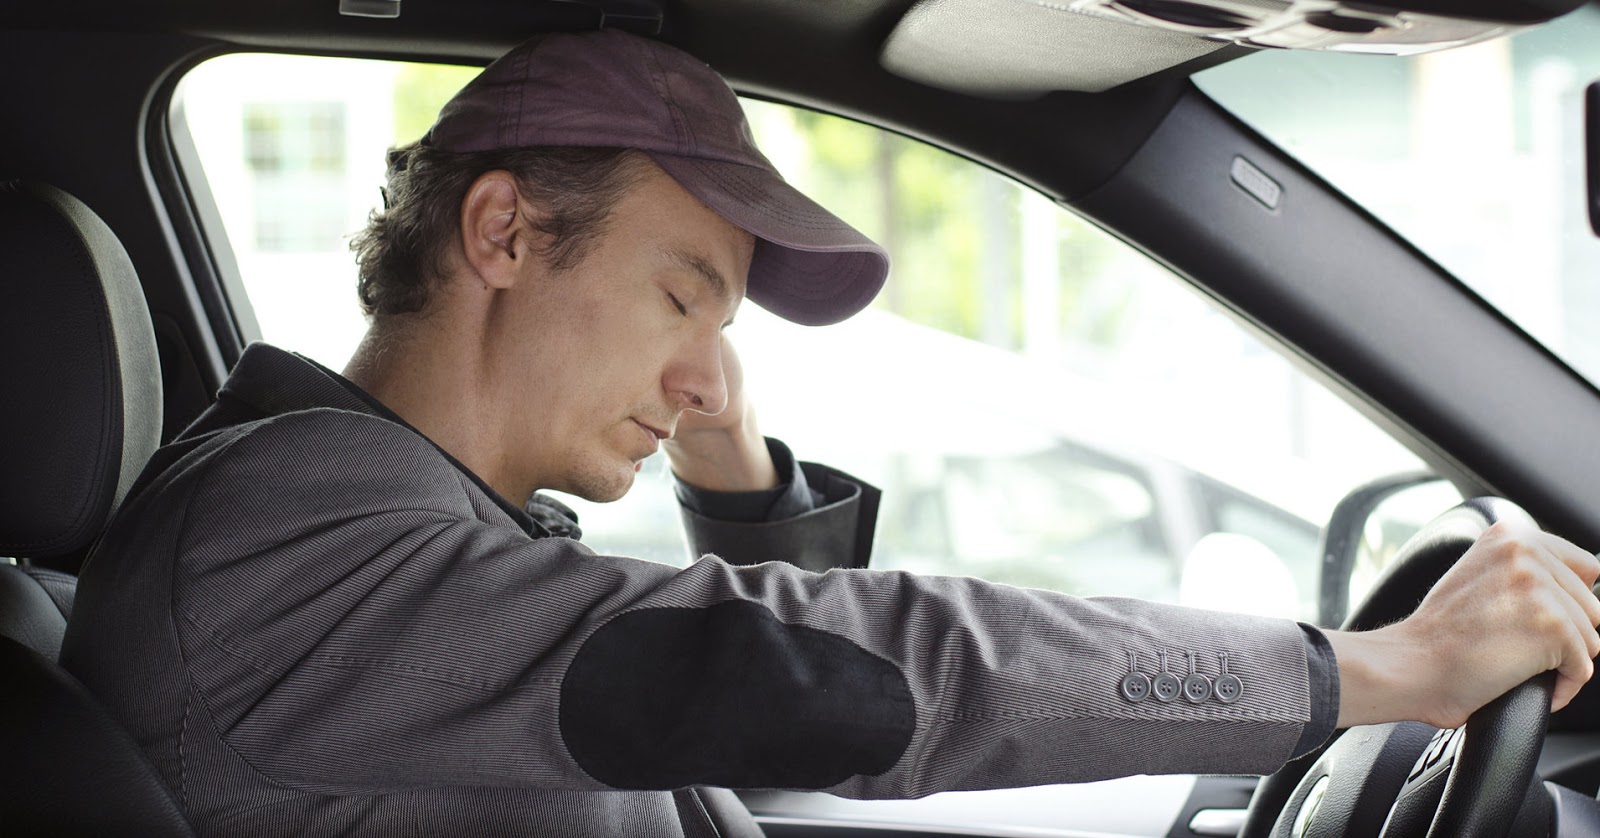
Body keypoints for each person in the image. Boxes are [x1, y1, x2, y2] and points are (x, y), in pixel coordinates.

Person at [63, 28, 1600, 838]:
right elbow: (796, 672)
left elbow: (685, 712)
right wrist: (1362, 672)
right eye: (685, 295)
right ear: (505, 233)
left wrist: (733, 485)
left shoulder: (396, 522)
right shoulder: (280, 547)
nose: (700, 372)